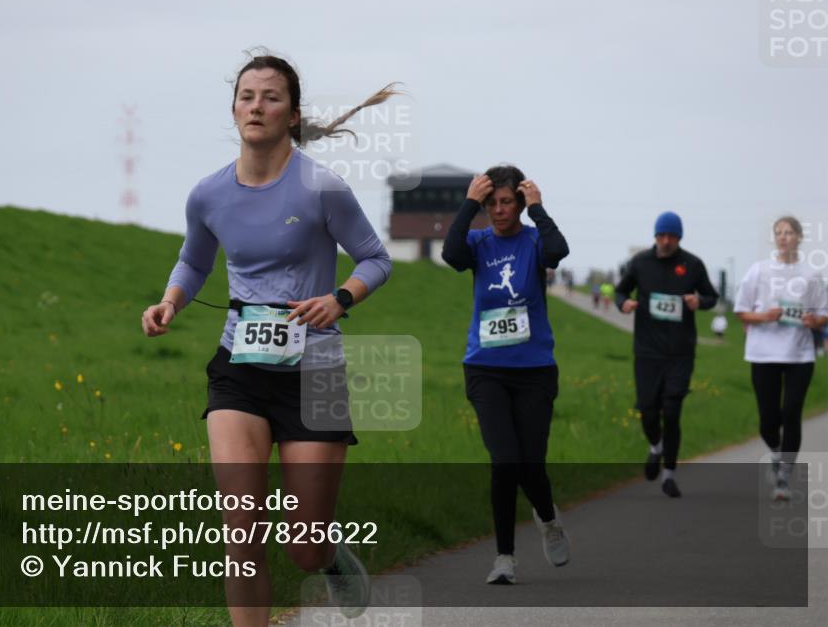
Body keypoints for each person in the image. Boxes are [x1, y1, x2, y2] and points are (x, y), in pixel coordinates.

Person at [141, 53, 395, 625]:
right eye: (247, 96)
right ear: (234, 109)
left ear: (293, 114)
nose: (257, 106)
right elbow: (193, 261)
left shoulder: (322, 189)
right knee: (241, 530)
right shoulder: (208, 194)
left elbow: (377, 259)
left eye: (271, 97)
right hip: (241, 367)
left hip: (316, 371)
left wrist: (340, 298)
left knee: (303, 546)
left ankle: (328, 558)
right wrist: (170, 301)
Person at [442, 165, 571, 585]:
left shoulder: (534, 240)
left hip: (534, 371)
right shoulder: (478, 243)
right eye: (491, 203)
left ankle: (548, 520)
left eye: (507, 202)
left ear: (519, 203)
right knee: (504, 462)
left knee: (530, 465)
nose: (499, 211)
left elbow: (558, 251)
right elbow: (451, 255)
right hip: (485, 369)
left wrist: (539, 209)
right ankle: (504, 558)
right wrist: (467, 204)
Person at [615, 211, 719, 498]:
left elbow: (712, 296)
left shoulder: (692, 264)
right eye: (661, 235)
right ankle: (655, 447)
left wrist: (699, 300)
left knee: (672, 411)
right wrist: (623, 303)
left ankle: (669, 475)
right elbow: (620, 292)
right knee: (648, 411)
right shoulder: (640, 263)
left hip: (680, 352)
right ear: (655, 236)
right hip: (647, 351)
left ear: (679, 238)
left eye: (671, 236)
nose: (666, 241)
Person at [733, 216, 828, 500]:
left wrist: (815, 321)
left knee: (792, 412)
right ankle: (776, 451)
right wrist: (763, 316)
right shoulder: (758, 271)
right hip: (763, 353)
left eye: (789, 232)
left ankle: (785, 475)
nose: (783, 237)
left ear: (799, 237)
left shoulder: (811, 275)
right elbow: (741, 311)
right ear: (774, 239)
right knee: (768, 420)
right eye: (778, 233)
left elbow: (824, 313)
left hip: (799, 354)